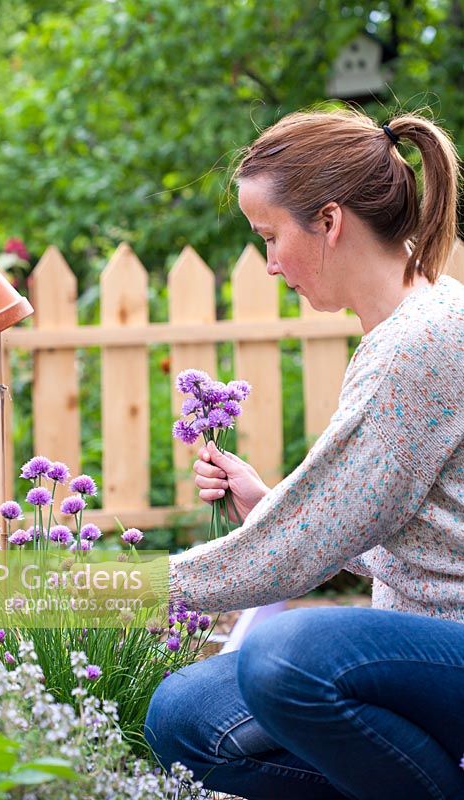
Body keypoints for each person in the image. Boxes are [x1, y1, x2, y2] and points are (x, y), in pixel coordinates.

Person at [144, 109, 464, 800]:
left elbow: (287, 555)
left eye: (270, 236)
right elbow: (434, 541)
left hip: (449, 649)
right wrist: (270, 505)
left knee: (287, 659)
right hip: (424, 649)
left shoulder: (417, 346)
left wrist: (98, 591)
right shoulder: (416, 321)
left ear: (329, 220)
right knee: (186, 715)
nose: (268, 263)